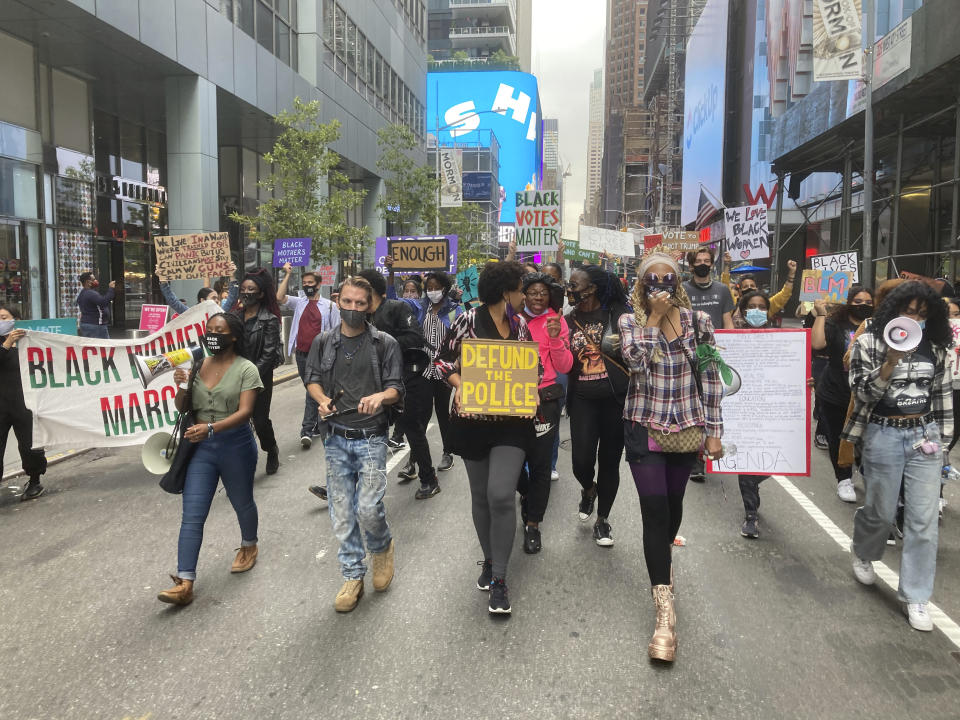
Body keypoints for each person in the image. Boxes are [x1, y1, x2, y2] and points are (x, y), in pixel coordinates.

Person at [618, 253, 724, 662]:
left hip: (687, 426)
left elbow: (711, 378)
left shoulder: (699, 322)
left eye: (667, 278)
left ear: (678, 282)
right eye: (651, 278)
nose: (659, 283)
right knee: (654, 510)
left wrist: (714, 431)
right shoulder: (631, 322)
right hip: (644, 425)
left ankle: (661, 559)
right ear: (641, 284)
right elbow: (636, 362)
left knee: (673, 508)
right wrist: (653, 320)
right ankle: (664, 612)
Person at [844, 281, 953, 632]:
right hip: (882, 434)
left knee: (922, 521)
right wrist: (889, 364)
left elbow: (941, 397)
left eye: (923, 314)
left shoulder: (936, 348)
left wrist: (944, 445)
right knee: (881, 510)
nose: (916, 319)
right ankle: (864, 551)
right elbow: (861, 393)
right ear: (893, 310)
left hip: (925, 437)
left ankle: (917, 596)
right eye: (910, 311)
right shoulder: (868, 342)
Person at [436, 260, 537, 615]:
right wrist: (461, 385)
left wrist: (534, 389)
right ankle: (489, 560)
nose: (525, 295)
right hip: (471, 421)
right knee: (481, 495)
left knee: (500, 494)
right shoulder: (466, 320)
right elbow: (442, 362)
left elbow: (529, 370)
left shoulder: (522, 325)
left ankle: (500, 580)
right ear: (504, 292)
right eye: (521, 289)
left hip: (511, 423)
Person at [304, 276, 403, 613]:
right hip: (335, 438)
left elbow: (396, 388)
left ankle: (382, 546)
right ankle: (351, 576)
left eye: (361, 303)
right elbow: (313, 380)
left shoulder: (384, 343)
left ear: (370, 304)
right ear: (338, 300)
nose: (353, 309)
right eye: (347, 302)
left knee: (367, 508)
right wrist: (322, 401)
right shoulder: (323, 342)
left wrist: (380, 397)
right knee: (342, 513)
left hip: (372, 438)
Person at [157, 312, 263, 607]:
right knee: (192, 514)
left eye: (220, 330)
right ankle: (185, 581)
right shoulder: (197, 365)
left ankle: (249, 545)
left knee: (242, 501)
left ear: (234, 336)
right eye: (209, 330)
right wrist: (182, 384)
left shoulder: (246, 369)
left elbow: (245, 412)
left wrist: (213, 428)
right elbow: (182, 407)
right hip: (200, 448)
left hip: (235, 445)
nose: (213, 335)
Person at [356, 268, 439, 500]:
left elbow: (416, 337)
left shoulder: (396, 308)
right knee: (362, 432)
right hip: (373, 383)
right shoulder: (359, 314)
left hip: (406, 381)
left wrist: (380, 341)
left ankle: (429, 479)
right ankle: (348, 481)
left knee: (413, 431)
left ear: (372, 290)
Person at [565, 265, 631, 546]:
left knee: (609, 462)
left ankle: (603, 521)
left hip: (615, 399)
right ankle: (588, 489)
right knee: (581, 461)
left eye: (575, 285)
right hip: (582, 399)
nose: (570, 290)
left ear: (591, 288)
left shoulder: (619, 316)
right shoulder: (568, 320)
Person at [517, 272, 572, 553]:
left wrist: (554, 338)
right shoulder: (511, 318)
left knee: (540, 465)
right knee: (512, 464)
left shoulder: (556, 320)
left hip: (545, 398)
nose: (538, 298)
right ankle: (527, 494)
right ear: (522, 294)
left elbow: (564, 366)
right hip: (511, 401)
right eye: (533, 292)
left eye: (543, 293)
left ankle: (533, 524)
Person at [392, 263, 463, 473]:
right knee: (418, 415)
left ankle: (448, 453)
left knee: (443, 413)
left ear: (444, 288)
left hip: (444, 372)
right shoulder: (420, 307)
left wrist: (458, 364)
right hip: (421, 370)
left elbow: (462, 340)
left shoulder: (454, 311)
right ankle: (414, 461)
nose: (432, 291)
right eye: (429, 287)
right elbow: (395, 302)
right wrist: (392, 275)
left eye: (436, 287)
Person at [811, 285, 874, 502]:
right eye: (858, 302)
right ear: (848, 303)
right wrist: (821, 314)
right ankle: (843, 479)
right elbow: (818, 344)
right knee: (838, 436)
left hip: (867, 393)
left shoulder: (877, 326)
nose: (863, 306)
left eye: (868, 302)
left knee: (867, 438)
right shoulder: (836, 323)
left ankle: (866, 470)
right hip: (835, 391)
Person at [276, 261, 340, 450]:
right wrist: (287, 274)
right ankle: (318, 425)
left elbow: (336, 332)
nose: (307, 286)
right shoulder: (299, 302)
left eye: (311, 282)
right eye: (304, 283)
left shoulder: (329, 306)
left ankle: (306, 430)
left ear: (318, 285)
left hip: (320, 355)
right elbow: (279, 297)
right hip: (302, 355)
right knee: (312, 389)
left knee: (312, 390)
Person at [683, 248, 733, 482]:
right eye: (698, 261)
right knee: (693, 403)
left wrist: (734, 347)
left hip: (715, 355)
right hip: (687, 355)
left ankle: (711, 445)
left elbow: (727, 321)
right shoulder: (682, 289)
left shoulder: (722, 290)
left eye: (707, 261)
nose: (703, 264)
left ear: (712, 264)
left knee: (712, 402)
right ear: (691, 265)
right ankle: (695, 458)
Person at [732, 290, 775, 538]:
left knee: (777, 460)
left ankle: (753, 483)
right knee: (746, 464)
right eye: (752, 306)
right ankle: (751, 514)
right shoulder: (732, 338)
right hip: (743, 408)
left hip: (770, 409)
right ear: (743, 309)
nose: (757, 311)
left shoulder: (782, 339)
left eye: (762, 306)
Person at [234, 270, 283, 474]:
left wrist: (251, 377)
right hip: (234, 379)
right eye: (243, 289)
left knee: (260, 420)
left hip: (260, 378)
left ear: (261, 294)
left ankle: (271, 449)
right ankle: (240, 465)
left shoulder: (269, 320)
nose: (246, 293)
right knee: (237, 422)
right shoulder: (233, 318)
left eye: (251, 289)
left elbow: (269, 353)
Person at [0, 307, 48, 501]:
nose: (1, 321)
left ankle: (35, 480)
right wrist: (7, 343)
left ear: (16, 320)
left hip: (24, 404)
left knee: (30, 446)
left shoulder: (30, 342)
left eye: (4, 317)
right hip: (1, 406)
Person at [156, 263, 239, 315]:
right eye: (214, 298)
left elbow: (232, 299)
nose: (217, 301)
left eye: (217, 298)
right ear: (202, 300)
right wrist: (163, 281)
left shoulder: (220, 313)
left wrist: (232, 276)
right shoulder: (192, 315)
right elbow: (173, 302)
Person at [76, 272, 116, 339]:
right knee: (104, 347)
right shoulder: (90, 293)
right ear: (88, 282)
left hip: (87, 324)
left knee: (91, 346)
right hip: (96, 325)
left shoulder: (83, 293)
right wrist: (111, 289)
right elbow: (103, 302)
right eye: (94, 279)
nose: (96, 281)